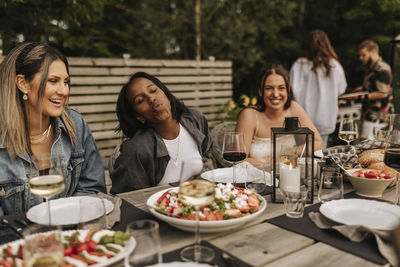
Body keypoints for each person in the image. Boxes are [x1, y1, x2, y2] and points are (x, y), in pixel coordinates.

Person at [0, 42, 106, 215]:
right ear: (22, 83)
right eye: (53, 81)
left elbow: (93, 191)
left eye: (66, 82)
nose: (64, 91)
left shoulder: (76, 125)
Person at [110, 72, 213, 194]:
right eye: (140, 100)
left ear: (166, 94)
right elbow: (129, 200)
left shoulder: (195, 119)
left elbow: (210, 163)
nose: (151, 98)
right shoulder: (135, 150)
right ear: (139, 117)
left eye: (153, 90)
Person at [236, 64, 324, 166]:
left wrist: (291, 152)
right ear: (260, 91)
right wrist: (272, 165)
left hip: (288, 176)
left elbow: (318, 143)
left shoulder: (293, 108)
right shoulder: (249, 115)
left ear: (288, 91)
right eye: (269, 88)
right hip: (256, 177)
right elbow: (240, 159)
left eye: (281, 88)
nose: (276, 94)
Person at [290, 30, 347, 147]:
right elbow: (341, 89)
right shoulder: (334, 65)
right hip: (324, 118)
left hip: (303, 118)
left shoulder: (299, 65)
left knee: (302, 154)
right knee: (320, 152)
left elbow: (291, 89)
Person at [355, 40, 393, 139]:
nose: (361, 58)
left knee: (370, 151)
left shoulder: (381, 68)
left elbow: (383, 93)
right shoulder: (372, 68)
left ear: (373, 52)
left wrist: (361, 96)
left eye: (363, 55)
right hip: (370, 117)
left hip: (378, 119)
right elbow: (375, 87)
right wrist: (362, 89)